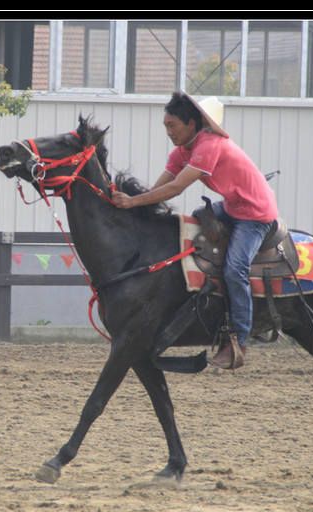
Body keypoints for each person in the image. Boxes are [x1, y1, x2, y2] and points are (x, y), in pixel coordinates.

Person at [112, 92, 279, 369]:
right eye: (165, 126)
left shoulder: (209, 145)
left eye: (172, 126)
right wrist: (133, 208)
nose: (168, 132)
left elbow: (176, 187)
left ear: (192, 124)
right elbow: (160, 188)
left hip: (255, 215)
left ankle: (239, 338)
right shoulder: (182, 152)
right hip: (233, 207)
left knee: (234, 269)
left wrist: (132, 202)